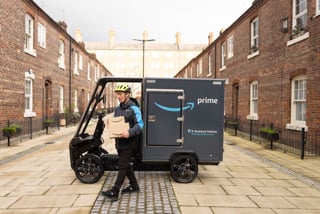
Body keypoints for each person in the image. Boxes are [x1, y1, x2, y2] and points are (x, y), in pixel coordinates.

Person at [102, 84, 143, 201]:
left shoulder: (134, 108)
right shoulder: (118, 109)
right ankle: (134, 186)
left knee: (122, 165)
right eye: (117, 94)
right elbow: (116, 123)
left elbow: (140, 125)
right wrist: (111, 125)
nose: (118, 96)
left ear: (127, 95)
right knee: (126, 165)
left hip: (130, 142)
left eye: (120, 94)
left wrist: (129, 132)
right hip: (119, 142)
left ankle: (115, 191)